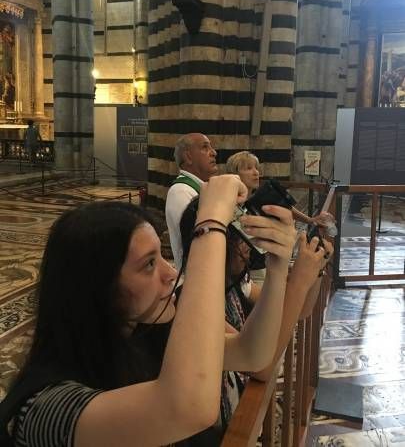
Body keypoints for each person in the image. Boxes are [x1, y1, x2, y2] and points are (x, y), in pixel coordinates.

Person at [0, 174, 298, 447]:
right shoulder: (45, 409)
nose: (171, 273)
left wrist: (277, 264)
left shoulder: (148, 332)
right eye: (149, 264)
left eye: (162, 257)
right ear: (97, 288)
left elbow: (251, 353)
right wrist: (211, 224)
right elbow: (188, 408)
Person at [180, 194, 333, 432]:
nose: (246, 245)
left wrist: (315, 270)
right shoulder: (194, 303)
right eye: (237, 237)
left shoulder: (238, 282)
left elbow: (298, 310)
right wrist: (298, 280)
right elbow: (261, 365)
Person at [165, 132, 217, 269]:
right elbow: (199, 241)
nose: (214, 153)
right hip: (197, 274)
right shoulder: (181, 191)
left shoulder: (201, 188)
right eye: (205, 147)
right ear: (188, 157)